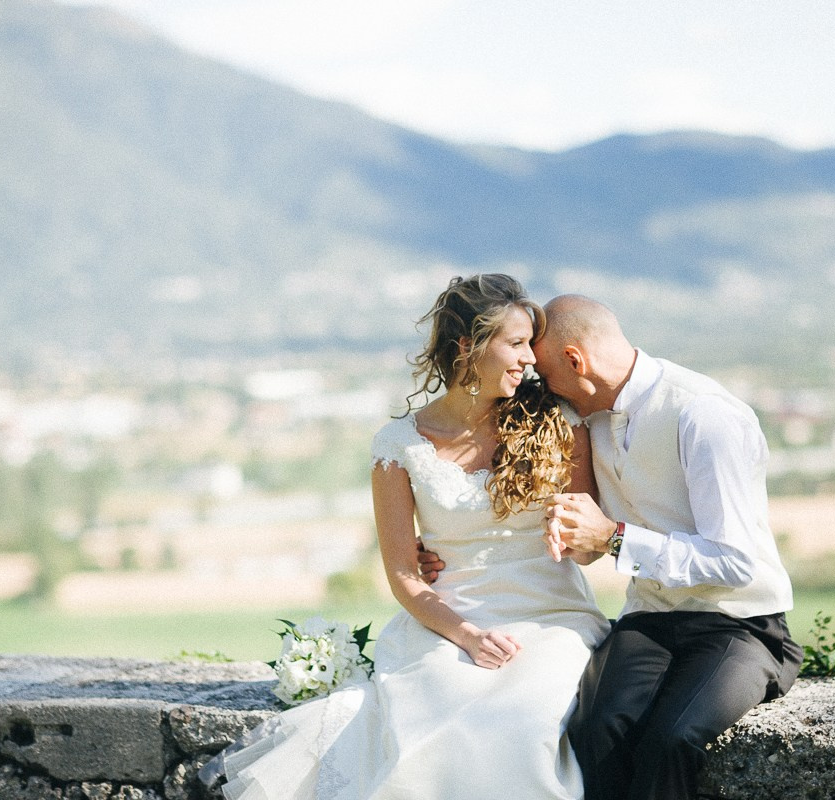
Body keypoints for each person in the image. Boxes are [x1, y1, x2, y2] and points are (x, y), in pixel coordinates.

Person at [204, 275, 610, 800]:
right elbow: (402, 575)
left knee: (525, 725)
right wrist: (468, 636)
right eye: (515, 343)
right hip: (448, 623)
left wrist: (581, 537)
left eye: (530, 344)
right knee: (431, 720)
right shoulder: (398, 446)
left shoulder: (557, 422)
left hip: (551, 617)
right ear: (467, 347)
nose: (530, 359)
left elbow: (587, 547)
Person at [531, 294, 803, 800]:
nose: (546, 390)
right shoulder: (587, 418)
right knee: (593, 731)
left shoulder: (703, 414)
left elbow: (735, 562)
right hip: (650, 618)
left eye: (546, 377)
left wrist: (614, 537)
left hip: (740, 624)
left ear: (575, 361)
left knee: (673, 739)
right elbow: (587, 544)